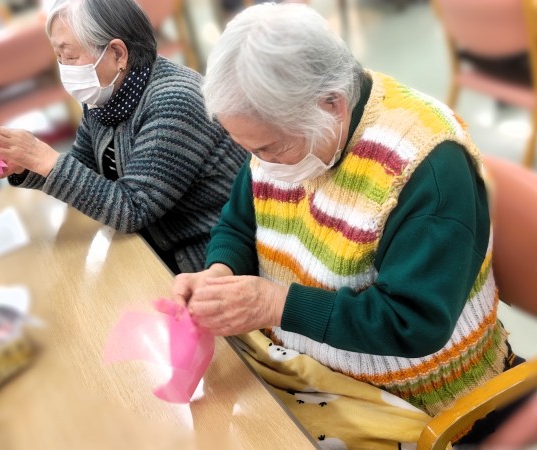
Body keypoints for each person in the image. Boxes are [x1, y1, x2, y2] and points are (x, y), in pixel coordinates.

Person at [171, 3, 534, 448]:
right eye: (251, 149)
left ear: (332, 104)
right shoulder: (285, 129)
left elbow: (412, 322)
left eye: (270, 149)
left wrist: (275, 304)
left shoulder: (427, 167)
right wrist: (220, 275)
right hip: (306, 366)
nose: (260, 163)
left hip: (416, 395)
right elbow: (239, 225)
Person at [0, 0, 246, 274]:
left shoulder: (173, 102)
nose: (63, 67)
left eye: (69, 56)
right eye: (58, 56)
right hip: (150, 241)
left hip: (209, 255)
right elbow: (85, 166)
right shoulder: (106, 95)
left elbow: (134, 209)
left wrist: (45, 159)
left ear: (117, 53)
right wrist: (27, 165)